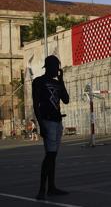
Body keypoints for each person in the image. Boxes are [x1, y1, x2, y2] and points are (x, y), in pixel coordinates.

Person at [32, 55, 70, 199]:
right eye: (57, 67)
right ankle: (42, 189)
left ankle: (52, 187)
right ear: (50, 66)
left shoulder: (57, 83)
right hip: (47, 122)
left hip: (57, 122)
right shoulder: (39, 81)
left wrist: (61, 81)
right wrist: (40, 124)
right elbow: (36, 104)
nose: (58, 70)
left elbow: (66, 100)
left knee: (53, 156)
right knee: (49, 155)